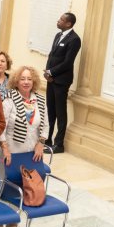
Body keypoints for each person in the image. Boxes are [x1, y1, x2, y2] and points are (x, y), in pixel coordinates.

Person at [1, 65, 50, 177]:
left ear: (34, 82)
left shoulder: (40, 101)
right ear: (16, 82)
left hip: (32, 152)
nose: (26, 82)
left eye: (29, 79)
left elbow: (46, 126)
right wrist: (5, 149)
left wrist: (41, 144)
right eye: (22, 79)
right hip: (11, 151)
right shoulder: (9, 99)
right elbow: (1, 128)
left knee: (32, 185)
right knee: (10, 187)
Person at [44, 12, 80, 153]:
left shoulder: (75, 39)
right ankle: (47, 140)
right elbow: (52, 56)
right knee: (50, 110)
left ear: (68, 24)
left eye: (61, 20)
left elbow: (67, 62)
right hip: (51, 79)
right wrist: (48, 72)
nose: (58, 21)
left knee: (60, 113)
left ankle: (59, 145)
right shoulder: (58, 35)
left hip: (61, 82)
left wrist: (52, 72)